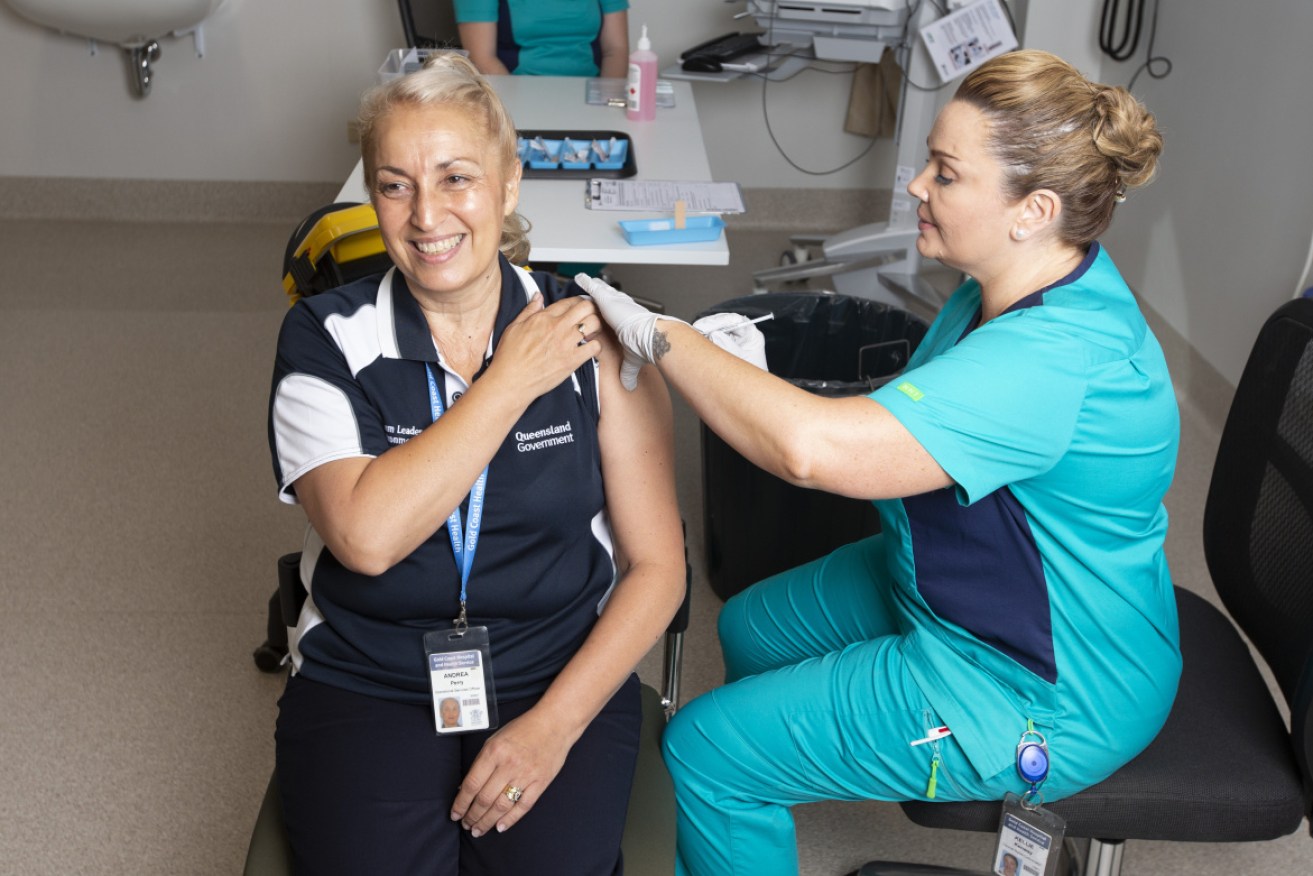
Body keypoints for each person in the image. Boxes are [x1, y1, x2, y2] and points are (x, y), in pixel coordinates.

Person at [579, 49, 1179, 876]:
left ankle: (740, 786)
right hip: (959, 587)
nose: (916, 187)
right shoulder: (1000, 284)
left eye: (945, 172)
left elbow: (811, 451)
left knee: (704, 752)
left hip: (1034, 690)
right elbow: (906, 417)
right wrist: (749, 378)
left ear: (1031, 209)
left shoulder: (1051, 359)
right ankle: (776, 781)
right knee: (751, 626)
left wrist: (664, 335)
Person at [267, 52, 685, 875]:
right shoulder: (324, 337)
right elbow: (368, 538)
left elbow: (657, 566)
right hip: (370, 670)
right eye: (394, 185)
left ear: (508, 182)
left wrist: (552, 727)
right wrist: (509, 381)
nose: (426, 216)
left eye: (456, 178)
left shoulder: (591, 330)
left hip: (554, 665)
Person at [455, 0, 630, 79]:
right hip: (516, 95)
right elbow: (482, 58)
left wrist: (605, 102)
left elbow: (616, 50)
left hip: (589, 95)